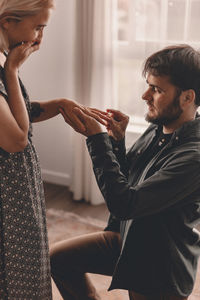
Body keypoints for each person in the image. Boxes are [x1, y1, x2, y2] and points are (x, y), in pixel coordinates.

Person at [50, 44, 200, 300]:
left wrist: (97, 140)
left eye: (156, 89)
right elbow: (128, 179)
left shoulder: (194, 157)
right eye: (148, 85)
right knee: (58, 259)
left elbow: (124, 203)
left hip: (160, 264)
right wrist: (116, 143)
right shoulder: (158, 129)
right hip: (129, 238)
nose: (145, 95)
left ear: (187, 98)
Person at [0, 0, 95, 298]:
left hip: (17, 189)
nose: (41, 37)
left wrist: (61, 105)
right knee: (16, 273)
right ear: (8, 21)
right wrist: (12, 70)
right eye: (38, 26)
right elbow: (16, 139)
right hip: (7, 196)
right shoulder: (6, 65)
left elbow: (18, 114)